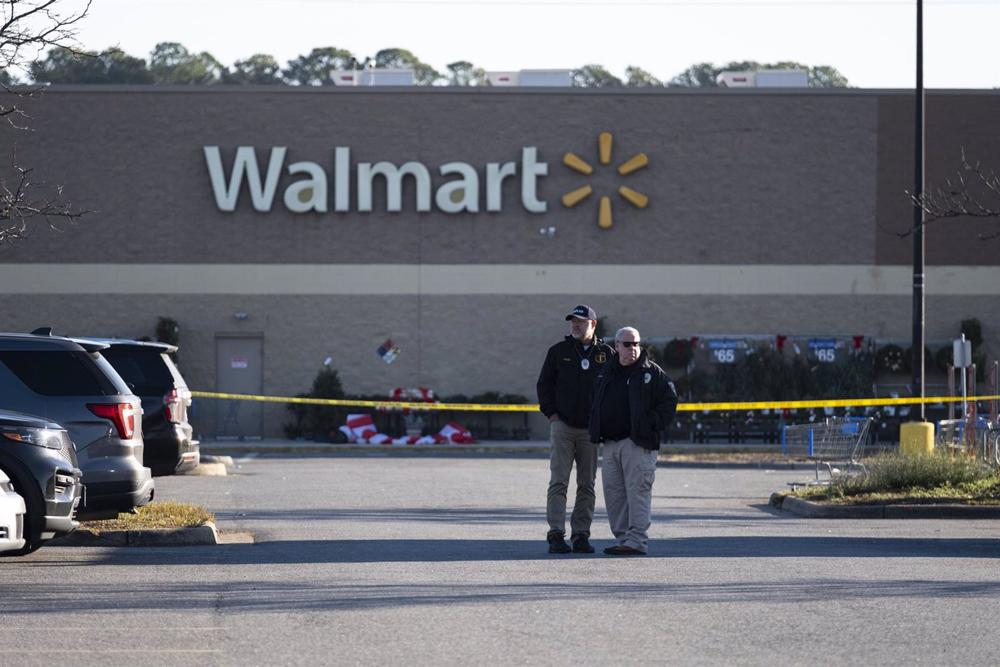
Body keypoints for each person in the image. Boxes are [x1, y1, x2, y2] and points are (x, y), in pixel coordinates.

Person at [589, 326, 678, 556]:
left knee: (637, 491)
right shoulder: (606, 371)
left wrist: (649, 424)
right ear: (616, 346)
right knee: (614, 493)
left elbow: (669, 404)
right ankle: (623, 539)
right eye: (627, 344)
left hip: (637, 443)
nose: (633, 348)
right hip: (610, 443)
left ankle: (637, 540)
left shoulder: (652, 373)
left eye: (636, 343)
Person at [536, 304, 615, 554]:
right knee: (559, 481)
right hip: (563, 426)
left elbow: (614, 391)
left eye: (580, 322)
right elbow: (544, 385)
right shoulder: (558, 352)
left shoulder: (607, 354)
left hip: (590, 430)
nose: (575, 325)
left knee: (587, 484)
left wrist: (604, 420)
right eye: (572, 322)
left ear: (593, 324)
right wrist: (552, 414)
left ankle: (581, 534)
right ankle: (556, 534)